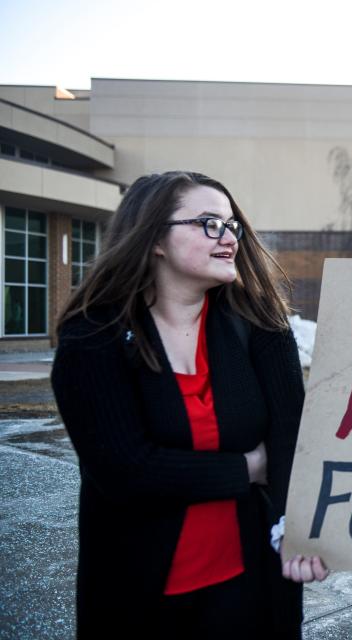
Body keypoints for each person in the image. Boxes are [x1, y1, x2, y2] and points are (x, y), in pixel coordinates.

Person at [51, 171, 318, 639]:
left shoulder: (261, 325)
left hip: (251, 588)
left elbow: (292, 441)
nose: (229, 237)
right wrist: (246, 469)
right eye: (208, 223)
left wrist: (302, 532)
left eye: (232, 225)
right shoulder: (94, 335)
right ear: (155, 238)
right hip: (140, 593)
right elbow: (125, 472)